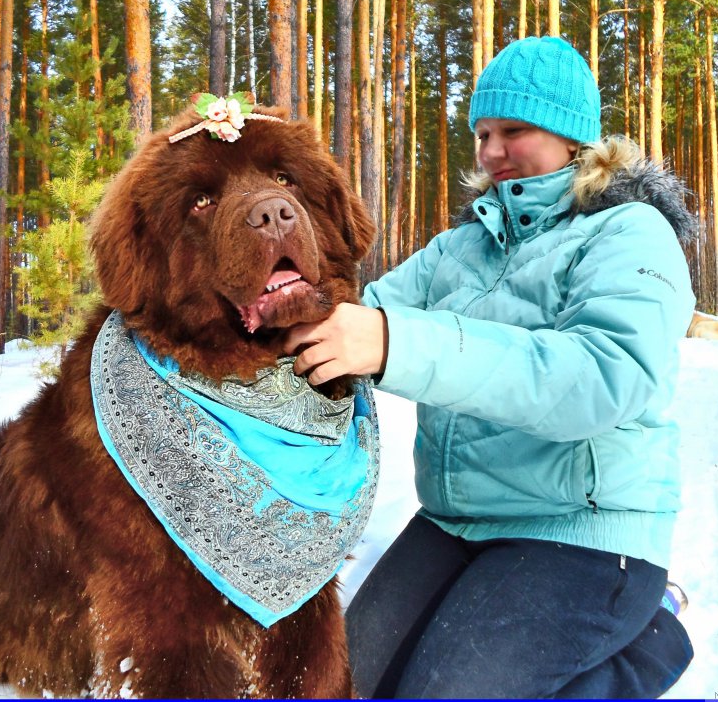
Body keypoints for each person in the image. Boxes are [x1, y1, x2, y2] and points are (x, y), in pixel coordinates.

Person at [285, 35, 696, 699]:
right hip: (456, 521)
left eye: (514, 130)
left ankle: (647, 646)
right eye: (481, 133)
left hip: (583, 532)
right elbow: (359, 314)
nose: (491, 151)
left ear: (572, 138)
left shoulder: (627, 231)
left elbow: (605, 377)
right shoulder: (460, 247)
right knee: (336, 686)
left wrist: (395, 346)